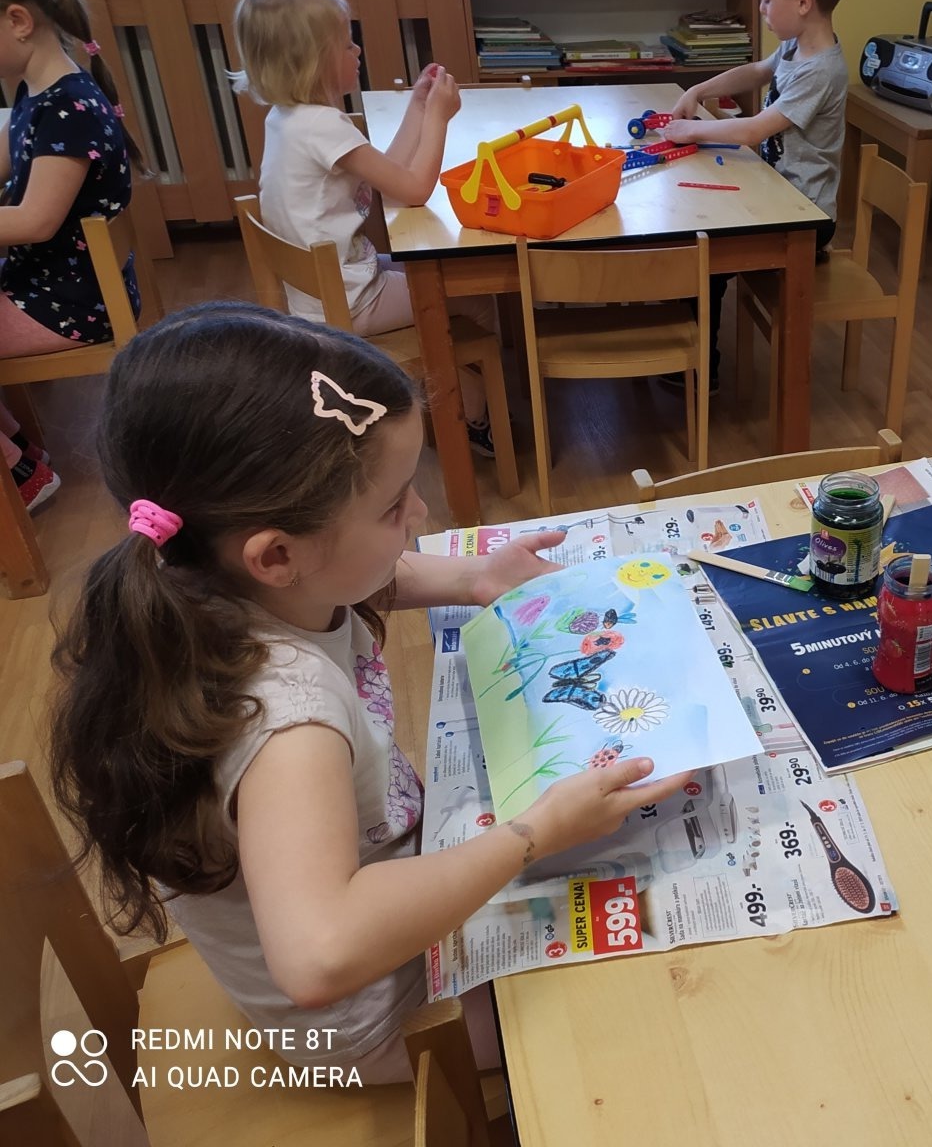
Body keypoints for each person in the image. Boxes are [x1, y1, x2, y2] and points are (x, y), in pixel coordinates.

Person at [49, 303, 687, 1083]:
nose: (420, 513)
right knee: (651, 1012)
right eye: (392, 507)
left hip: (390, 891)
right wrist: (535, 833)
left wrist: (475, 576)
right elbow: (320, 955)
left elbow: (357, 569)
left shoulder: (212, 577)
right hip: (382, 1016)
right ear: (275, 555)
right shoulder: (289, 727)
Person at [229, 0, 500, 457]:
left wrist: (417, 108)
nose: (357, 51)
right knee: (477, 293)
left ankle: (460, 396)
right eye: (346, 43)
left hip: (322, 294)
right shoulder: (323, 126)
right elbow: (414, 190)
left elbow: (387, 177)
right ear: (313, 61)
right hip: (351, 301)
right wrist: (439, 119)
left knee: (453, 285)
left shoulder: (289, 118)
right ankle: (476, 416)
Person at [659, 0, 853, 388]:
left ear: (802, 2)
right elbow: (755, 71)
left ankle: (699, 368)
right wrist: (699, 90)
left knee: (706, 254)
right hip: (774, 195)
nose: (761, 8)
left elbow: (753, 130)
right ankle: (685, 345)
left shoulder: (821, 71)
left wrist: (692, 130)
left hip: (806, 217)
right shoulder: (796, 47)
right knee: (700, 224)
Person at [1, 0, 144, 507]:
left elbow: (36, 221)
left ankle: (20, 477)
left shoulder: (69, 107)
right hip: (53, 287)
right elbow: (8, 160)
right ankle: (20, 455)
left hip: (69, 302)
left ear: (18, 20)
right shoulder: (37, 91)